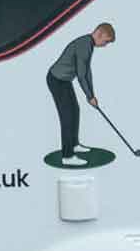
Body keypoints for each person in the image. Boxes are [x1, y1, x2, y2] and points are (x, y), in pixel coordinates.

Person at [45, 22, 115, 167]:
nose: (105, 45)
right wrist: (89, 96)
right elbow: (81, 74)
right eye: (106, 41)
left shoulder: (88, 44)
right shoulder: (84, 45)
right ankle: (67, 156)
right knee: (67, 117)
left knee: (75, 111)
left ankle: (74, 144)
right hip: (57, 80)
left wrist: (92, 95)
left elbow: (87, 72)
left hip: (64, 80)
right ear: (99, 34)